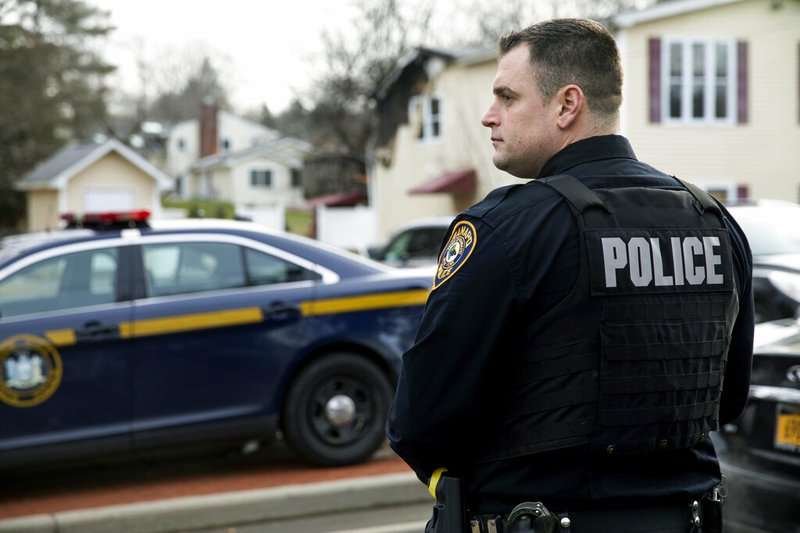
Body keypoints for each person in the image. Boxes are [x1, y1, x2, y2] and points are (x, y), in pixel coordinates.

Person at [386, 17, 754, 533]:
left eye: (507, 97)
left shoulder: (507, 227)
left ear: (566, 104)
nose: (490, 117)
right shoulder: (712, 220)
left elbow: (421, 420)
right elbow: (728, 398)